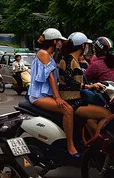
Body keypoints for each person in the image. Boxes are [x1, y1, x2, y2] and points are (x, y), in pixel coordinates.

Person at [28, 28, 78, 157]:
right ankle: (70, 145)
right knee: (68, 110)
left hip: (47, 94)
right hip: (39, 96)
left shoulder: (50, 55)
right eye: (60, 41)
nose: (61, 43)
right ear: (54, 41)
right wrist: (57, 97)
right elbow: (50, 76)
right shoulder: (43, 54)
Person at [57, 32, 109, 139]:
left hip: (77, 100)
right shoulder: (68, 60)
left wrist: (91, 85)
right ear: (82, 45)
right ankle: (97, 144)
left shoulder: (73, 60)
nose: (87, 47)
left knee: (91, 119)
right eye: (86, 45)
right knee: (107, 115)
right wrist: (87, 86)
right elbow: (69, 82)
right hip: (72, 102)